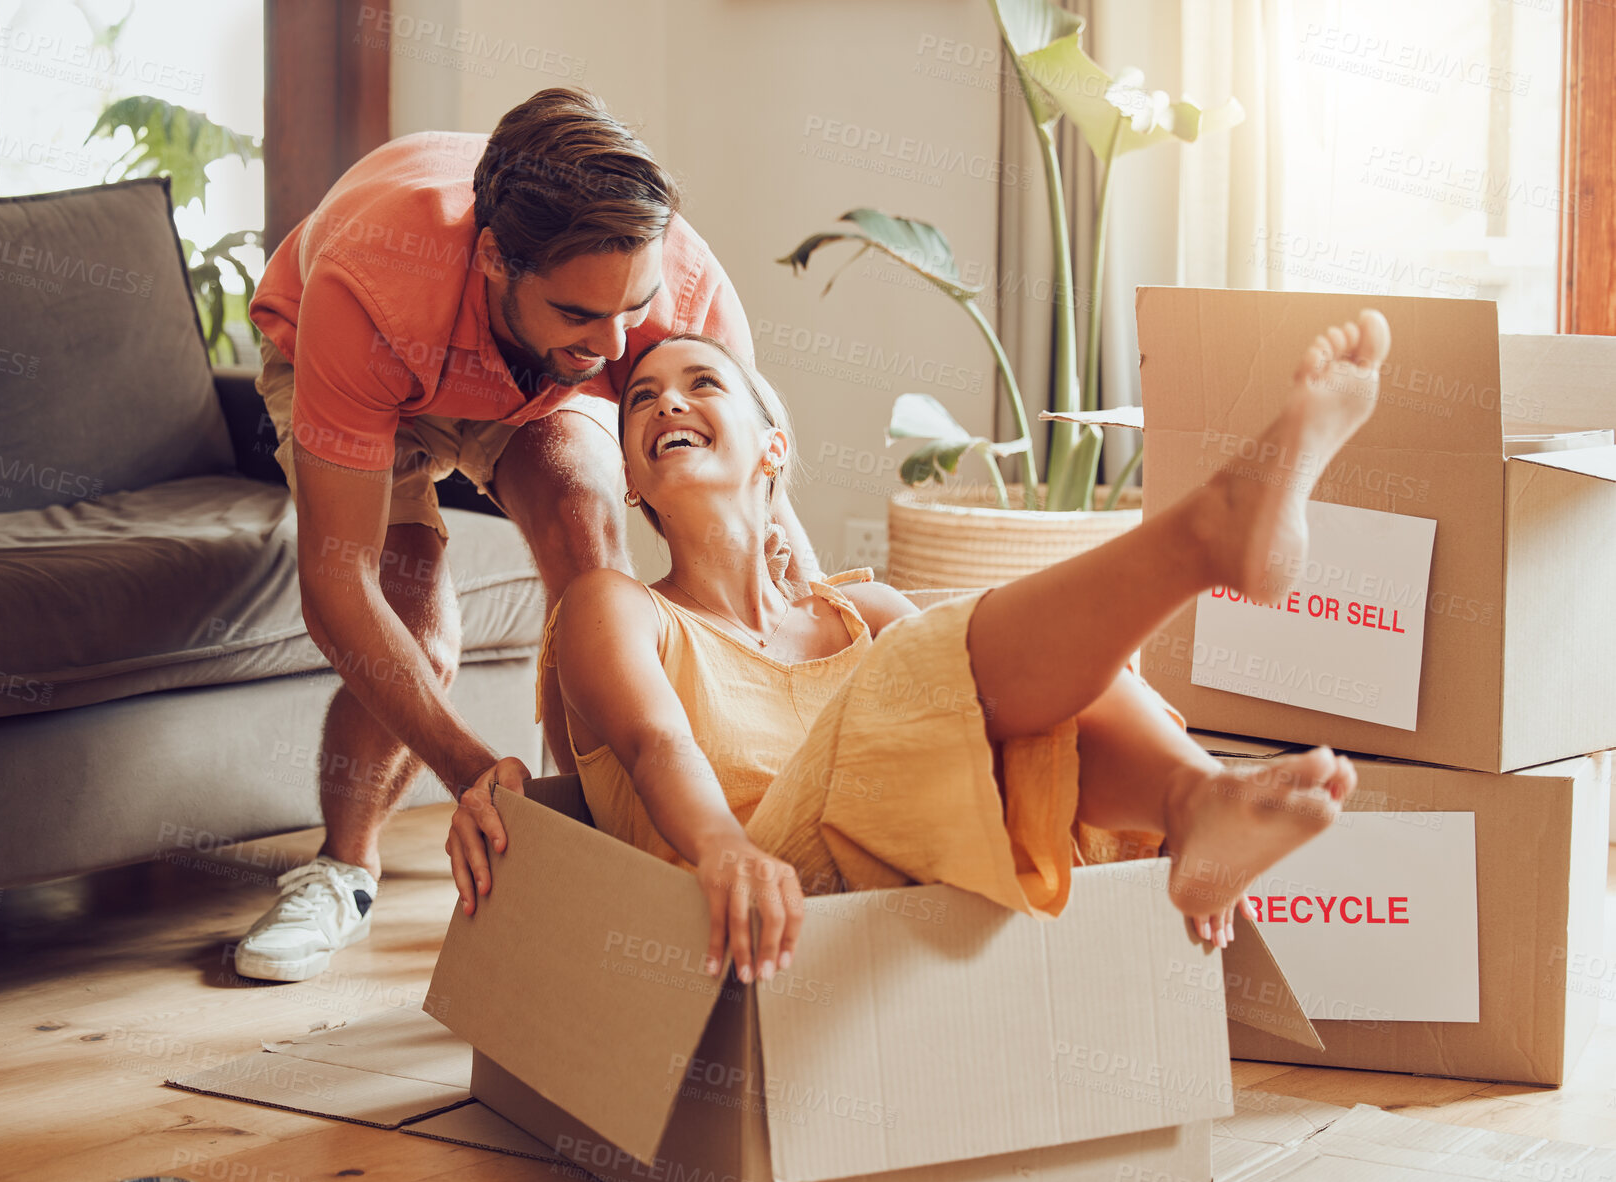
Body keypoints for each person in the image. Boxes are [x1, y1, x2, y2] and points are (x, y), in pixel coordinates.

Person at [447, 309, 1390, 983]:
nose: (664, 404)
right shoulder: (616, 607)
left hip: (919, 867)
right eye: (641, 400)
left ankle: (1195, 801)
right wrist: (727, 852)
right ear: (636, 486)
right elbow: (658, 745)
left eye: (701, 384)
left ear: (772, 449)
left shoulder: (864, 614)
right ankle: (1205, 535)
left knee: (979, 670)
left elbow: (1033, 687)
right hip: (755, 894)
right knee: (932, 657)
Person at [232, 88, 819, 982]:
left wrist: (805, 599)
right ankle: (343, 869)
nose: (618, 343)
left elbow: (757, 507)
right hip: (374, 368)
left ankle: (586, 860)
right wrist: (471, 769)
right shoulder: (370, 286)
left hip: (534, 388)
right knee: (411, 616)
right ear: (497, 260)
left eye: (635, 308)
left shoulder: (675, 291)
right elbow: (334, 585)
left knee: (598, 578)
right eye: (582, 314)